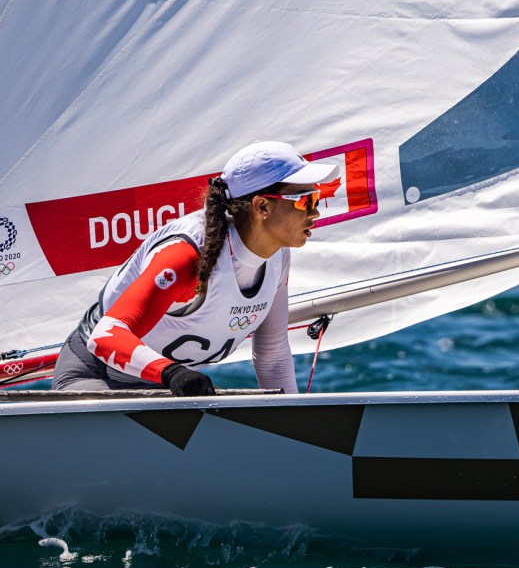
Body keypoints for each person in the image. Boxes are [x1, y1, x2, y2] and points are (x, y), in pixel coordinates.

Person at [51, 141, 337, 396]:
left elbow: (272, 356)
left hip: (165, 386)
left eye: (317, 197)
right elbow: (107, 336)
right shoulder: (187, 255)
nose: (315, 212)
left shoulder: (277, 255)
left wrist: (291, 423)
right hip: (97, 375)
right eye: (304, 201)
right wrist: (171, 373)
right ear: (261, 206)